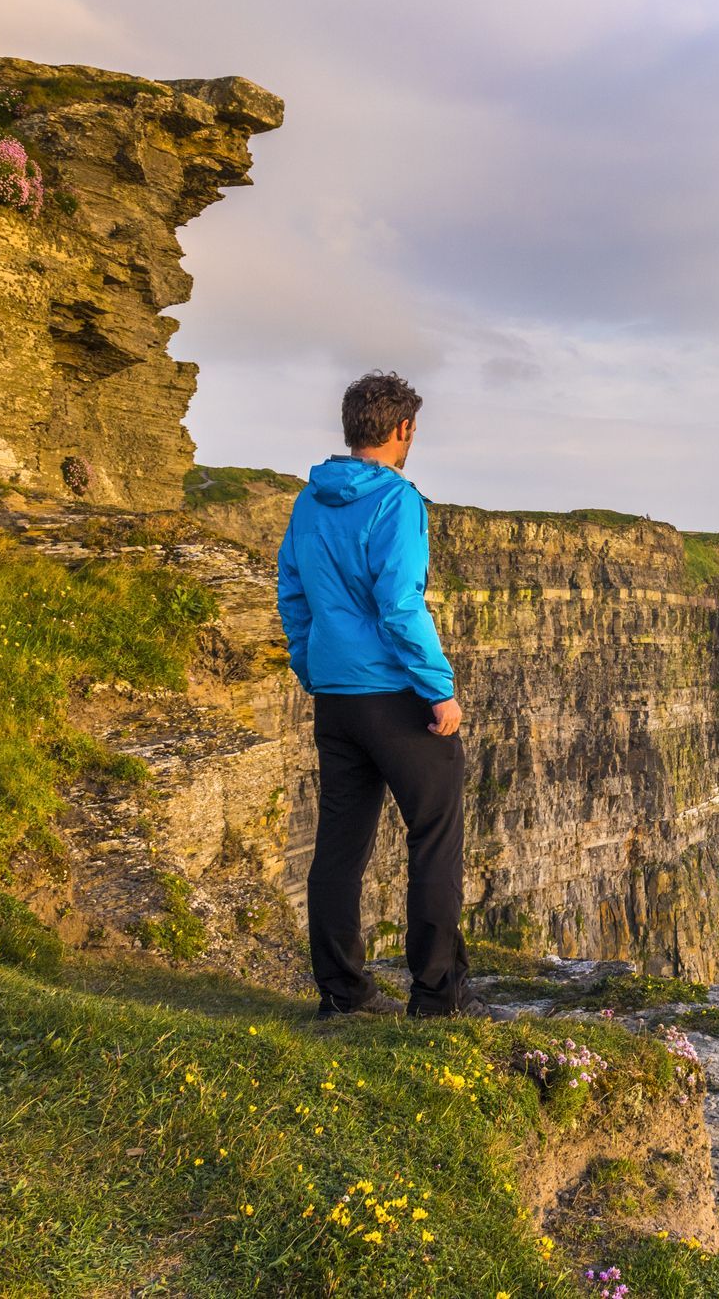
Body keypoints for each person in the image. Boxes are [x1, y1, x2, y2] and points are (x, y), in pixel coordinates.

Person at [277, 371, 472, 1018]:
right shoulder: (398, 501)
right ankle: (437, 998)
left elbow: (294, 596)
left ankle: (342, 994)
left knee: (338, 846)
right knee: (434, 837)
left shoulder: (309, 501)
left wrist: (312, 668)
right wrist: (438, 691)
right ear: (402, 429)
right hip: (394, 696)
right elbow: (398, 605)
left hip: (336, 697)